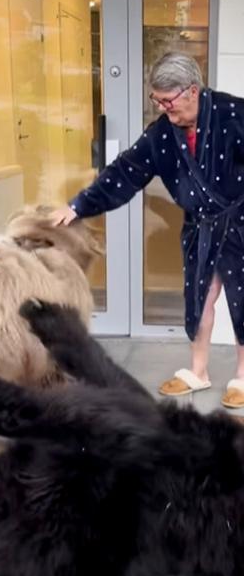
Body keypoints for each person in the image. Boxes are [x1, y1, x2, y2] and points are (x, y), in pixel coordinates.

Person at [51, 52, 244, 406]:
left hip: (240, 222)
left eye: (168, 101)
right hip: (199, 227)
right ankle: (198, 372)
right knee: (200, 299)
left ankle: (242, 378)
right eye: (157, 100)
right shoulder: (162, 134)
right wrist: (79, 205)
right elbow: (125, 171)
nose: (164, 109)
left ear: (192, 91)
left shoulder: (234, 115)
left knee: (242, 297)